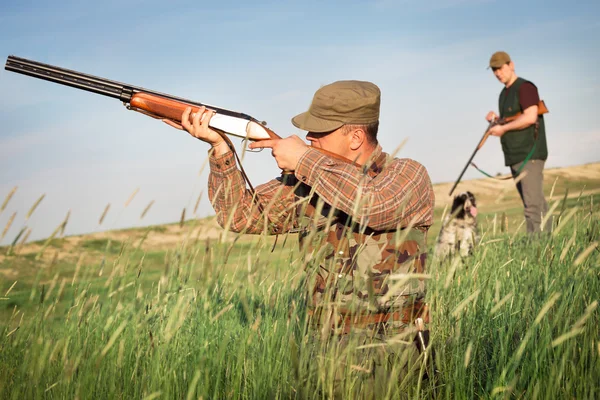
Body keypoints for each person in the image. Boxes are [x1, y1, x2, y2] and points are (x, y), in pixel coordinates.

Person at [165, 80, 435, 396]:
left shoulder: (407, 175)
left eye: (320, 132)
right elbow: (239, 216)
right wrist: (220, 148)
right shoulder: (306, 186)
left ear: (356, 137)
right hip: (324, 352)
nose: (308, 138)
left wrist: (304, 160)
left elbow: (375, 207)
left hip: (395, 352)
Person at [485, 51, 551, 234]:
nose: (498, 73)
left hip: (529, 154)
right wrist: (497, 120)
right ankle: (549, 243)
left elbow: (530, 117)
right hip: (514, 155)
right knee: (536, 202)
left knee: (532, 206)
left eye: (500, 68)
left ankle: (535, 247)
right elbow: (513, 119)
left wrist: (503, 129)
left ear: (511, 65)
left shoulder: (525, 87)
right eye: (494, 70)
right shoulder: (503, 94)